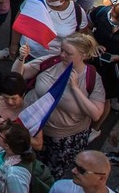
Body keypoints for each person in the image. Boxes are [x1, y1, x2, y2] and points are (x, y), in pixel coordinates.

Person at [12, 33, 106, 178]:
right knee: (21, 168)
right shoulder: (51, 62)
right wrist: (21, 58)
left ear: (84, 55)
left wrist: (75, 88)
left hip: (63, 139)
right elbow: (17, 76)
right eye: (62, 50)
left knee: (47, 175)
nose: (62, 55)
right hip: (32, 128)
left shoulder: (92, 78)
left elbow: (96, 114)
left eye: (68, 53)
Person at [47, 150, 112, 193]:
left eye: (81, 170)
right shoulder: (60, 188)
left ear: (101, 178)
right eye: (74, 165)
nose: (73, 171)